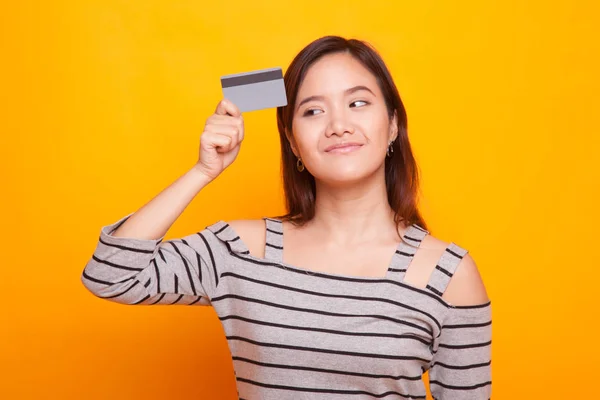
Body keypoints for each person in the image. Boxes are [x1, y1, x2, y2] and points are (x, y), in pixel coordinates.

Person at [82, 35, 492, 399]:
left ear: (391, 126)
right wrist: (202, 172)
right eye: (312, 111)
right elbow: (110, 275)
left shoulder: (449, 273)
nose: (338, 125)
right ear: (293, 144)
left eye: (358, 103)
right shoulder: (241, 250)